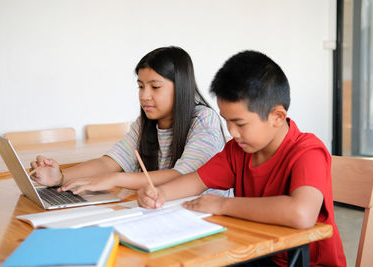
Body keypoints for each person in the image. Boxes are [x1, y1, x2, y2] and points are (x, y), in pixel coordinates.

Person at [137, 50, 346, 266]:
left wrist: (223, 205)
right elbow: (197, 180)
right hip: (261, 252)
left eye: (240, 123)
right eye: (226, 120)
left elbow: (301, 213)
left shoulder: (308, 151)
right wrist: (160, 193)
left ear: (277, 116)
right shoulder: (238, 150)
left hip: (303, 261)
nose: (232, 132)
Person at [30, 46, 230, 197]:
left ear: (181, 88)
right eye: (141, 86)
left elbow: (184, 176)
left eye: (155, 87)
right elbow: (111, 162)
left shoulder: (204, 120)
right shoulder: (145, 123)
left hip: (204, 217)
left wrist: (117, 178)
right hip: (161, 210)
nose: (144, 96)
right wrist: (61, 177)